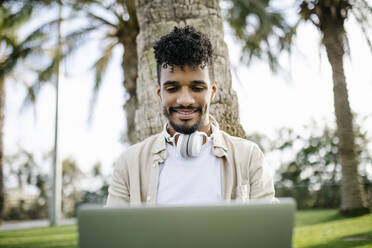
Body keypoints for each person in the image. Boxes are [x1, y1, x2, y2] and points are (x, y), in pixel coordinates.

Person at [106, 26, 276, 206]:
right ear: (159, 92)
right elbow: (112, 232)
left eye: (197, 88)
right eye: (172, 88)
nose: (185, 100)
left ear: (213, 91)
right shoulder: (129, 163)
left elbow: (270, 230)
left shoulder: (249, 158)